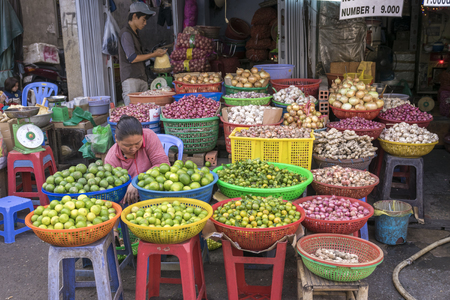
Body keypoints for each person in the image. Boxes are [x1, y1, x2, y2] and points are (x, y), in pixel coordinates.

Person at [105, 115, 169, 204]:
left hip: (155, 191)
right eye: (127, 146)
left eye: (137, 143)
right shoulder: (111, 159)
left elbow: (163, 165)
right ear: (116, 139)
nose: (133, 148)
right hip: (129, 200)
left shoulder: (149, 137)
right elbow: (113, 188)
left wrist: (137, 182)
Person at [119, 2, 167, 105]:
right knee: (133, 113)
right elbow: (132, 58)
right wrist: (153, 54)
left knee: (143, 113)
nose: (145, 23)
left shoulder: (136, 33)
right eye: (143, 20)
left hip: (141, 77)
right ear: (135, 16)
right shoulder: (126, 33)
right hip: (131, 79)